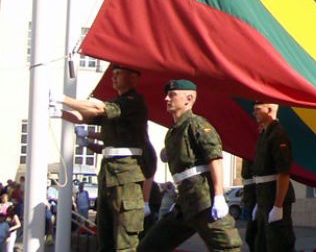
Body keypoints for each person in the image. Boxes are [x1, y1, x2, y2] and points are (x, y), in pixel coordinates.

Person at [137, 79, 240, 252]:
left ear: (189, 98)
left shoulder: (197, 124)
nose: (166, 99)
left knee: (227, 247)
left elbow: (215, 159)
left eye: (172, 95)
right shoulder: (173, 131)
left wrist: (219, 197)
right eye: (167, 95)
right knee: (151, 246)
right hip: (184, 202)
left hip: (203, 199)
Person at [58, 64, 149, 252]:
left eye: (118, 74)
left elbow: (97, 108)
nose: (113, 78)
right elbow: (85, 116)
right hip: (109, 172)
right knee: (105, 234)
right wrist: (59, 112)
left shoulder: (132, 102)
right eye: (112, 74)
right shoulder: (116, 103)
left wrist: (62, 99)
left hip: (126, 174)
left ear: (133, 77)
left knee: (125, 238)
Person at [250, 100, 296, 251]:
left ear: (269, 109)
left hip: (274, 199)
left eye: (257, 109)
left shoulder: (278, 134)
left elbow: (283, 173)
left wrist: (278, 206)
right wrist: (259, 201)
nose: (254, 112)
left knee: (278, 244)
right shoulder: (264, 134)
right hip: (264, 199)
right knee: (262, 245)